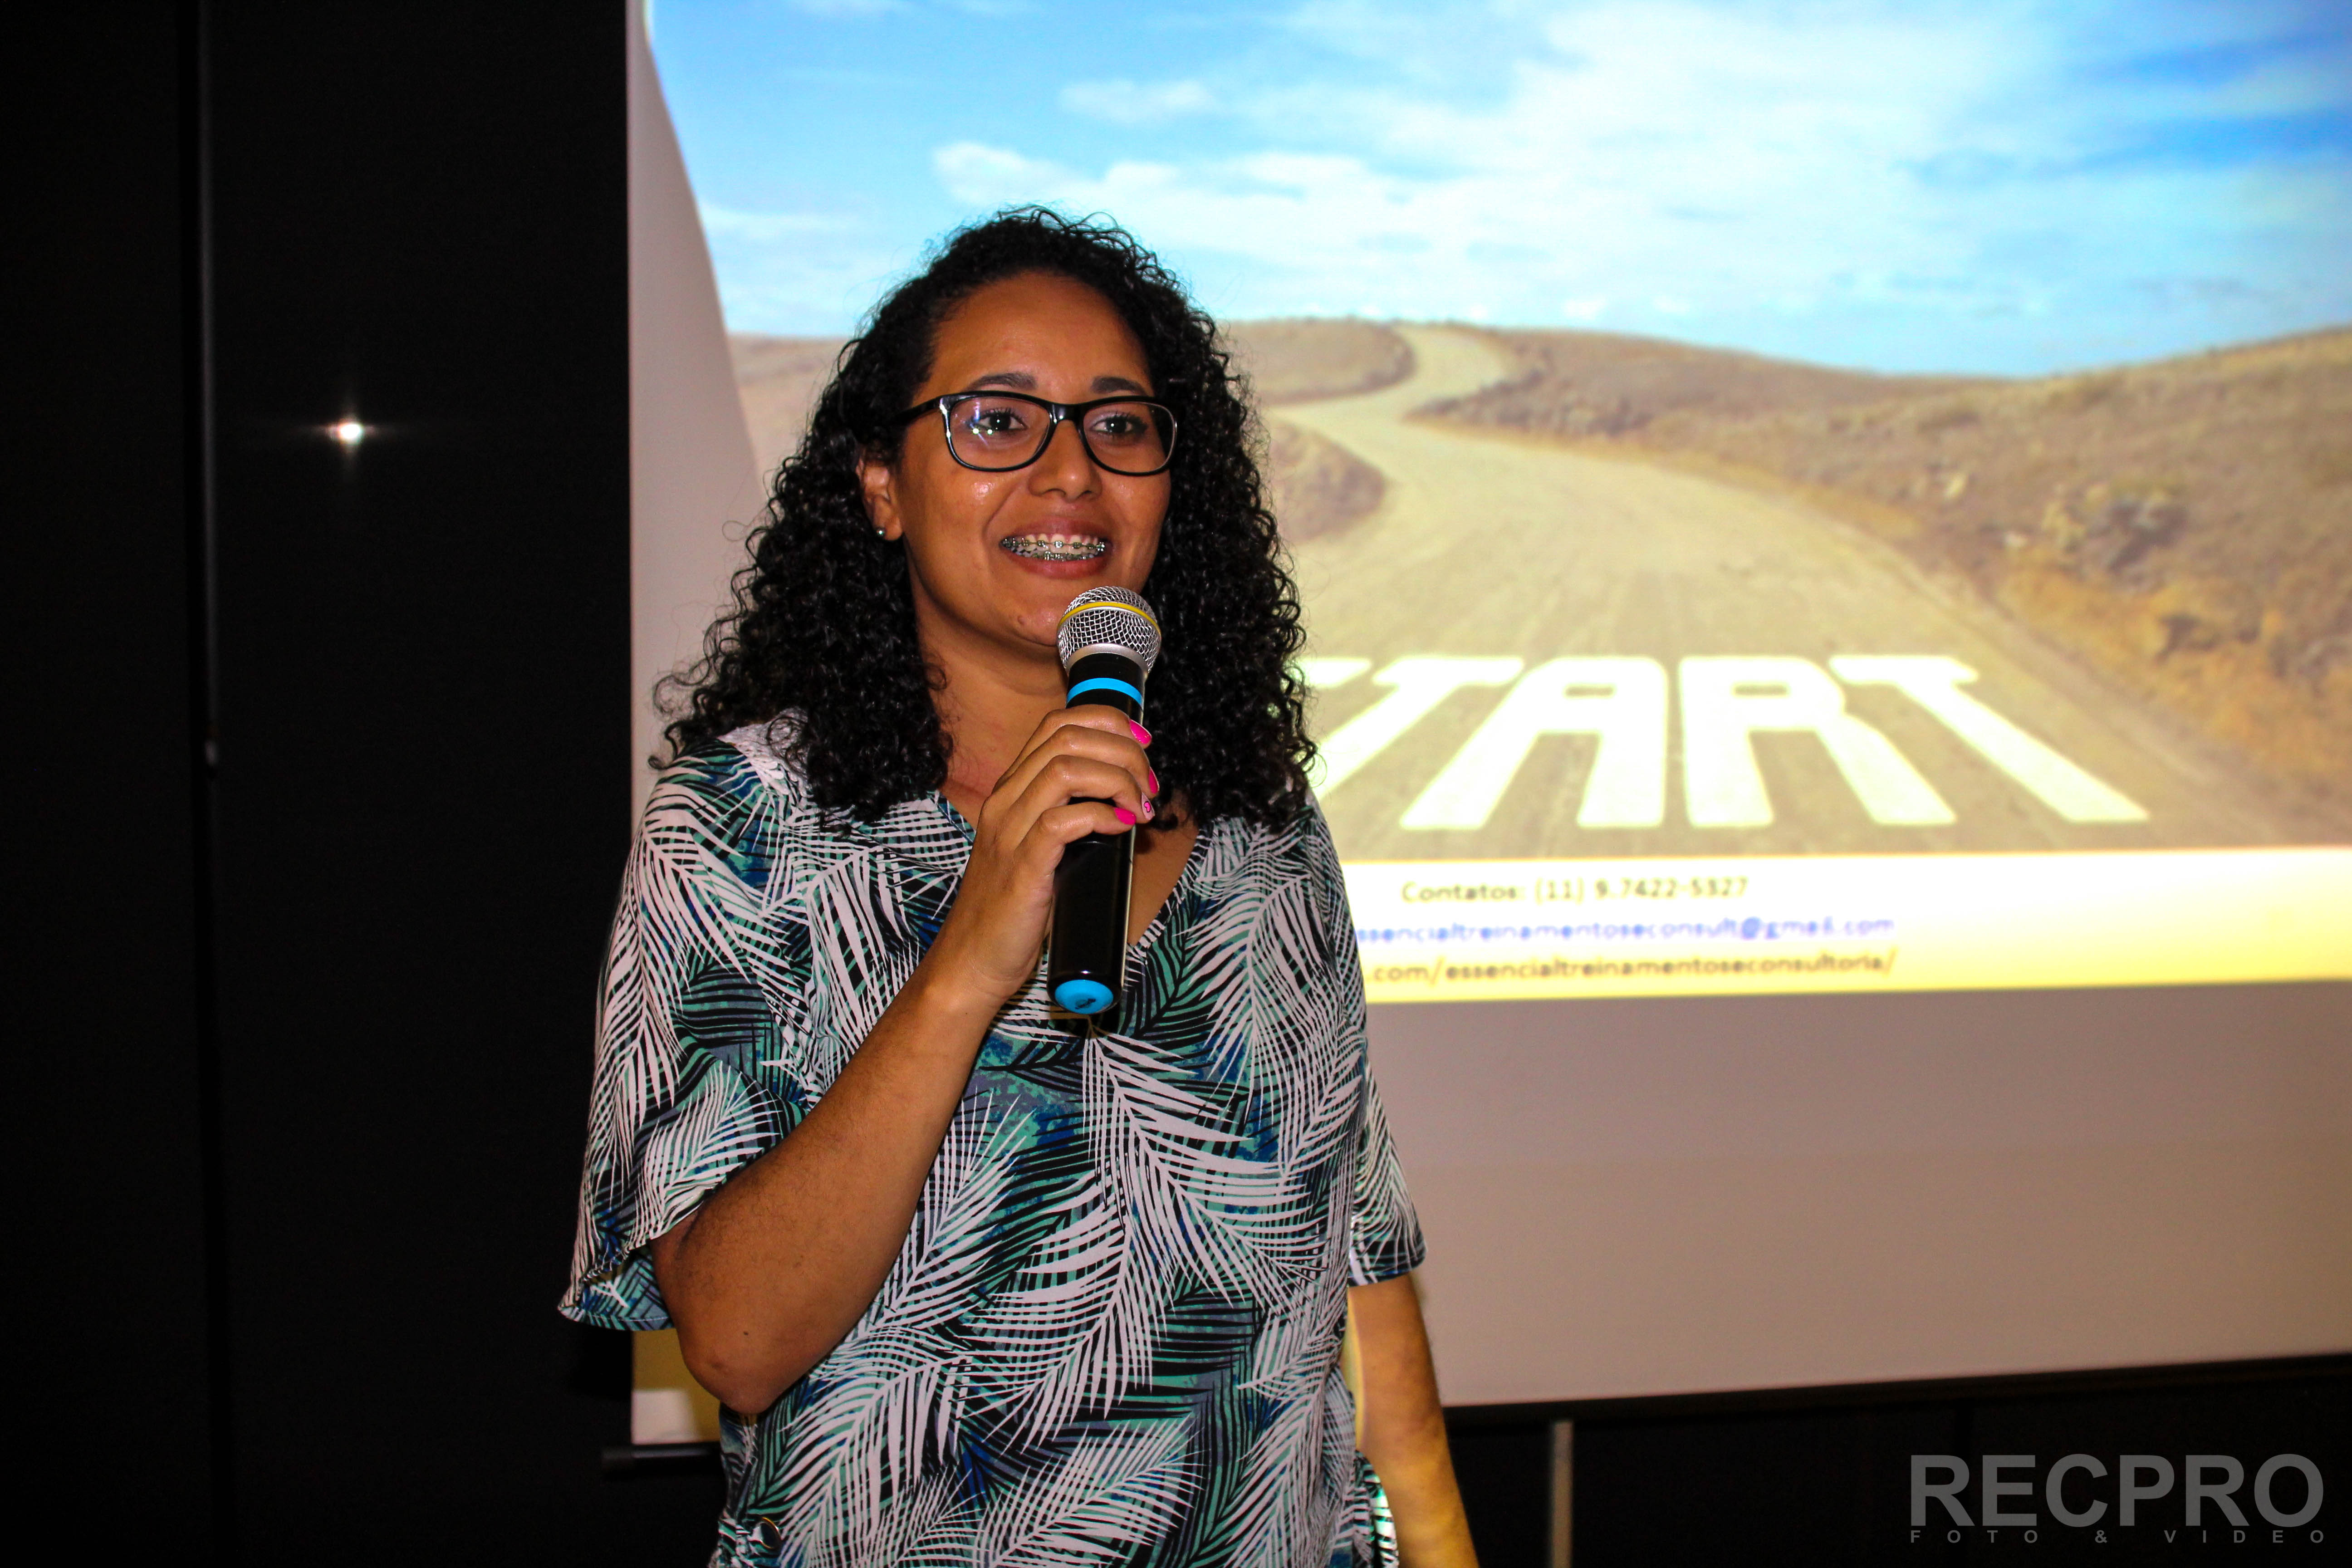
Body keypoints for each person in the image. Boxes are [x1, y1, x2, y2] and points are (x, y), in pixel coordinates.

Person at [563, 208, 1477, 1568]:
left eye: (1120, 426)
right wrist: (970, 960)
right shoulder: (745, 828)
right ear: (881, 483)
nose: (1071, 477)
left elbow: (1363, 1301)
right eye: (997, 422)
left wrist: (1438, 1538)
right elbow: (739, 1347)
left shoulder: (1266, 838)